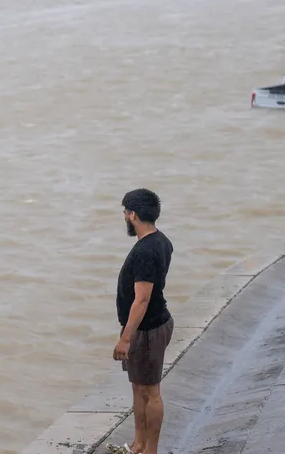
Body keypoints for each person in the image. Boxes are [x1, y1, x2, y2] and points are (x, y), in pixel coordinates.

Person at [108, 189, 174, 454]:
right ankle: (137, 446)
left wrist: (126, 338)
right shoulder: (161, 240)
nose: (124, 216)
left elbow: (142, 300)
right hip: (147, 327)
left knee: (150, 391)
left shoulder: (145, 251)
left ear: (133, 214)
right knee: (138, 387)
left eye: (125, 212)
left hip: (147, 330)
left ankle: (151, 450)